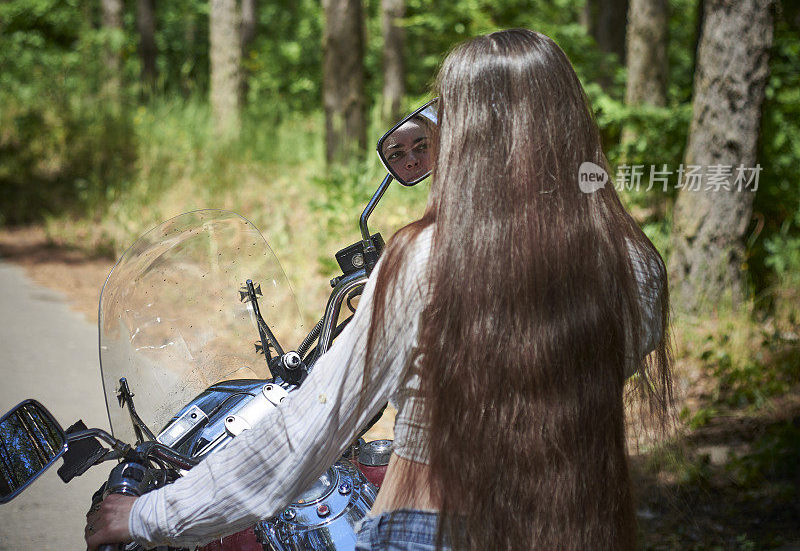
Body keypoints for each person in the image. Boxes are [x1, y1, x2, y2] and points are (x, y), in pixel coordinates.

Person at [85, 29, 671, 551]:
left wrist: (150, 514)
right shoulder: (638, 266)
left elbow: (305, 436)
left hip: (428, 529)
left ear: (468, 135)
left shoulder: (424, 260)